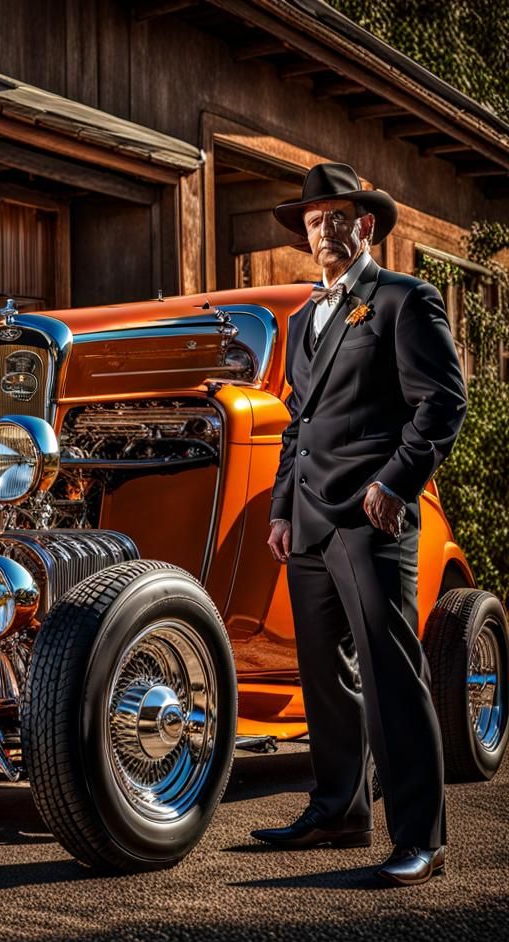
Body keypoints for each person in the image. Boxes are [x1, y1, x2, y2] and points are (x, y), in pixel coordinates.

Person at [253, 161, 468, 886]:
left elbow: (442, 404)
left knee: (391, 676)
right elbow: (296, 424)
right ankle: (340, 810)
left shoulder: (406, 300)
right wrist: (282, 508)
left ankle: (423, 838)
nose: (323, 231)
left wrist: (395, 482)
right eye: (313, 222)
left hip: (373, 519)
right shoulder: (302, 317)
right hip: (311, 520)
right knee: (326, 677)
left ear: (364, 224)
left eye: (336, 218)